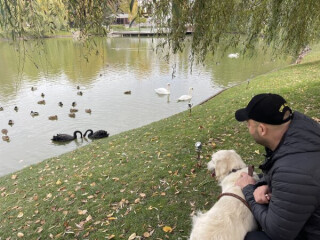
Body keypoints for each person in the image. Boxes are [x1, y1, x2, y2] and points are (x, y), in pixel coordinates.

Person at [234, 93, 320, 240]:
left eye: (248, 124)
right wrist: (265, 184)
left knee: (252, 238)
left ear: (262, 129)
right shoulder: (303, 129)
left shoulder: (293, 170)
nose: (247, 127)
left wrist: (249, 189)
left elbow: (278, 233)